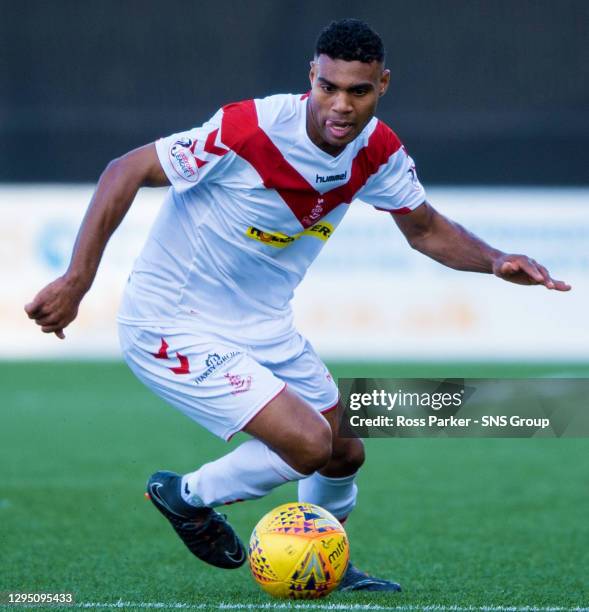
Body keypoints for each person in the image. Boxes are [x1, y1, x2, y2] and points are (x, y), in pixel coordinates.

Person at [25, 19, 570, 592]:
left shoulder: (377, 149)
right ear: (311, 75)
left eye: (358, 91)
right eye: (328, 87)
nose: (340, 106)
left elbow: (426, 229)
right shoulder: (248, 128)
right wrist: (77, 279)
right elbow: (126, 170)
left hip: (263, 327)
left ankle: (325, 562)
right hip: (170, 322)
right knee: (310, 444)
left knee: (343, 453)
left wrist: (493, 260)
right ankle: (184, 496)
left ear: (382, 84)